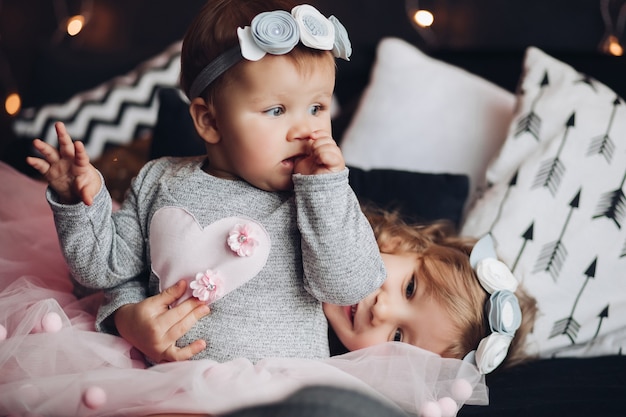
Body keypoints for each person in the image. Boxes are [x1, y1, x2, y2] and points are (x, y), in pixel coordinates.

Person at [26, 0, 386, 364]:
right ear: (209, 121)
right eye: (276, 110)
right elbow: (101, 272)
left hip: (285, 392)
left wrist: (326, 191)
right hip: (173, 387)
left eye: (317, 108)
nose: (305, 131)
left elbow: (347, 285)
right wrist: (76, 203)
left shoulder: (316, 199)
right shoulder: (159, 180)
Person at [324, 207, 538, 372]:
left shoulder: (317, 370)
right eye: (409, 288)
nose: (380, 311)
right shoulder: (328, 213)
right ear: (403, 246)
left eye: (397, 337)